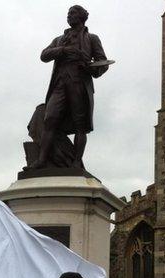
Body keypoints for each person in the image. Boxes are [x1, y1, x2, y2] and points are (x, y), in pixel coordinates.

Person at [27, 5, 109, 170]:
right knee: (49, 119)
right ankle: (42, 160)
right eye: (68, 14)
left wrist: (90, 67)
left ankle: (77, 162)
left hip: (79, 83)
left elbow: (103, 62)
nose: (68, 16)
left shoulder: (92, 38)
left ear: (81, 17)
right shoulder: (59, 39)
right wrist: (63, 50)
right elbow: (44, 55)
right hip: (60, 83)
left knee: (81, 125)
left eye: (72, 13)